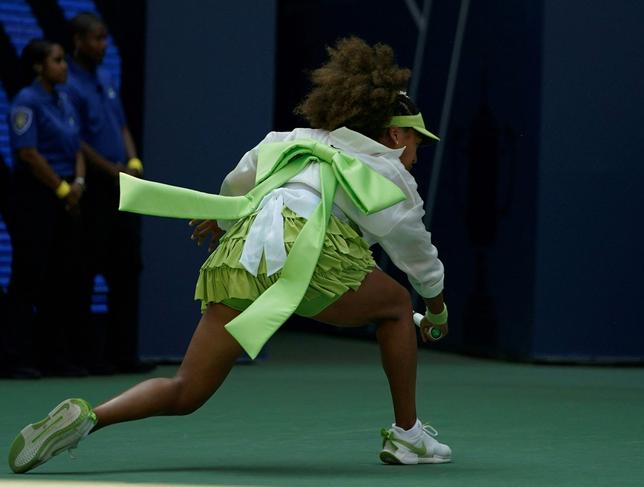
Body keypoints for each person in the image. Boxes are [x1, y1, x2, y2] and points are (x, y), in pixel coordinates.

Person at [8, 37, 451, 473]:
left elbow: (238, 184)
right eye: (416, 142)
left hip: (245, 252)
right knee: (395, 306)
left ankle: (91, 418)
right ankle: (408, 436)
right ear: (394, 134)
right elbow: (418, 259)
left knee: (186, 391)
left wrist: (220, 221)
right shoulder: (391, 174)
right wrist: (435, 312)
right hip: (310, 254)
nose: (415, 155)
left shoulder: (292, 138)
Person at [63, 12, 151, 373]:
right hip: (97, 187)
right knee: (84, 271)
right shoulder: (67, 82)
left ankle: (123, 355)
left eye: (105, 39)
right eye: (96, 39)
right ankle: (86, 357)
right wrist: (110, 170)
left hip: (123, 186)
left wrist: (132, 160)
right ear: (78, 41)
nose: (102, 46)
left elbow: (122, 125)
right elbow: (77, 140)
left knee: (128, 268)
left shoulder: (106, 77)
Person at [4, 39, 88, 377]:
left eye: (64, 60)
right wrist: (62, 188)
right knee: (28, 276)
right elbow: (28, 154)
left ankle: (54, 357)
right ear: (39, 66)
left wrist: (79, 183)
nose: (64, 66)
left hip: (68, 192)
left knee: (61, 276)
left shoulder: (64, 98)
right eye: (56, 60)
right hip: (36, 195)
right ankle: (14, 359)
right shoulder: (26, 102)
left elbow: (78, 144)